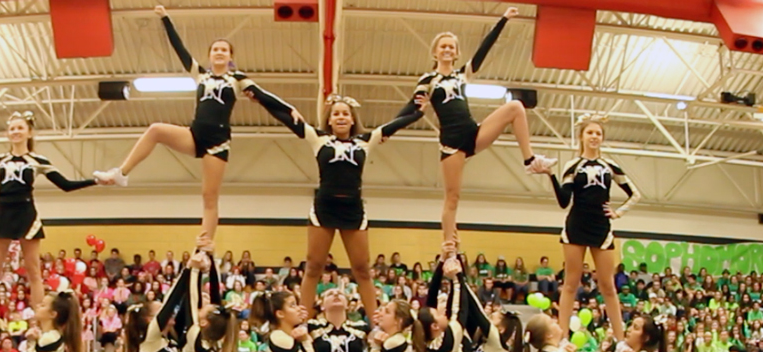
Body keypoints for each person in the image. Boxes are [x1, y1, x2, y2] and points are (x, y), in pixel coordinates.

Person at [94, 4, 296, 239]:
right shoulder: (200, 74)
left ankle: (205, 245)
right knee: (155, 130)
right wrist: (166, 19)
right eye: (215, 49)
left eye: (224, 50)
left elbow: (265, 97)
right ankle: (121, 173)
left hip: (217, 142)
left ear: (231, 57)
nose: (219, 52)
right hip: (194, 134)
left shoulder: (237, 79)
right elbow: (179, 48)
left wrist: (289, 110)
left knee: (209, 197)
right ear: (210, 55)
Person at [254, 94, 422, 320]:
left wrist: (418, 106)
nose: (341, 117)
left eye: (346, 113)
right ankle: (301, 318)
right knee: (313, 266)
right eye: (336, 114)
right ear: (329, 120)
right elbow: (288, 114)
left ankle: (376, 322)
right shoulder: (318, 138)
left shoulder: (366, 140)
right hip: (325, 208)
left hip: (353, 209)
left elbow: (397, 121)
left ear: (353, 119)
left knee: (362, 269)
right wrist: (258, 97)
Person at [398, 6, 555, 245]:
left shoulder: (463, 75)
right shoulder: (428, 81)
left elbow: (485, 49)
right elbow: (411, 106)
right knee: (452, 197)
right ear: (435, 53)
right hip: (452, 144)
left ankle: (530, 161)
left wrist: (503, 20)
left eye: (451, 46)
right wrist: (389, 130)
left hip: (473, 133)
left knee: (515, 108)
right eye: (443, 46)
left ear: (457, 52)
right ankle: (449, 247)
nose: (448, 49)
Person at [0, 111, 97, 332]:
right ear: (7, 133)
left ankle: (41, 325)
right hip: (2, 214)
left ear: (29, 132)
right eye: (12, 128)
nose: (16, 132)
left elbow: (66, 185)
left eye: (20, 128)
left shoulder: (38, 161)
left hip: (26, 213)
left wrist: (95, 181)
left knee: (33, 271)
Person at [548, 114, 641, 342]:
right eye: (590, 132)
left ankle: (620, 341)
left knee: (608, 286)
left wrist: (619, 212)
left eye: (598, 133)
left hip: (601, 228)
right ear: (581, 136)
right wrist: (550, 174)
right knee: (571, 283)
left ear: (602, 138)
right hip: (576, 226)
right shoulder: (573, 165)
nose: (594, 136)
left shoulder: (610, 166)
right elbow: (563, 201)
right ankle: (562, 338)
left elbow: (635, 194)